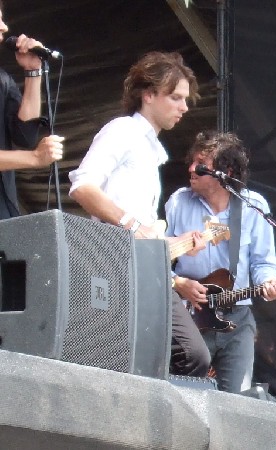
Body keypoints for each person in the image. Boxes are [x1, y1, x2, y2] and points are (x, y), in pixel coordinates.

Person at [68, 51, 211, 377]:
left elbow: (147, 231)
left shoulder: (150, 150)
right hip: (115, 262)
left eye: (185, 99)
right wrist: (131, 224)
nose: (184, 108)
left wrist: (175, 265)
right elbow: (82, 186)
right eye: (175, 97)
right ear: (148, 95)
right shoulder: (122, 131)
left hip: (147, 267)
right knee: (169, 355)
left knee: (190, 356)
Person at [165, 130, 276, 394]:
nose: (192, 169)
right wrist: (178, 283)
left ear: (226, 172)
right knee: (185, 393)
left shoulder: (253, 205)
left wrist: (268, 282)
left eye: (202, 165)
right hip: (190, 315)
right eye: (193, 161)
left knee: (237, 402)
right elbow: (157, 258)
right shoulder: (178, 202)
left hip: (237, 317)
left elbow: (263, 262)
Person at [0, 4, 64, 218]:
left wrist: (33, 70)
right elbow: (30, 150)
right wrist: (35, 158)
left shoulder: (2, 80)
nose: (4, 27)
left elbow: (25, 135)